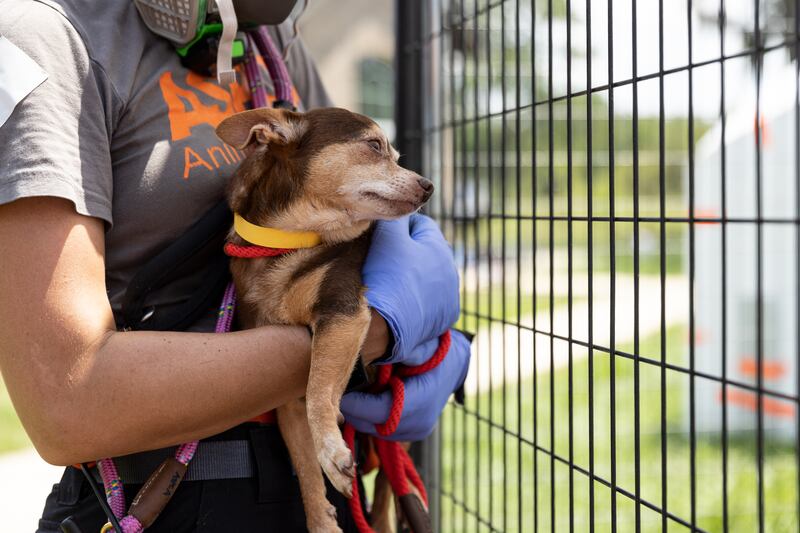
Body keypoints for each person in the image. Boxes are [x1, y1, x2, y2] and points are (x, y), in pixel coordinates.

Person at [0, 1, 471, 531]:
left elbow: (344, 208)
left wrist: (413, 324)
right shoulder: (47, 37)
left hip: (318, 483)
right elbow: (67, 407)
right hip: (162, 495)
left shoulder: (274, 43)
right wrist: (370, 335)